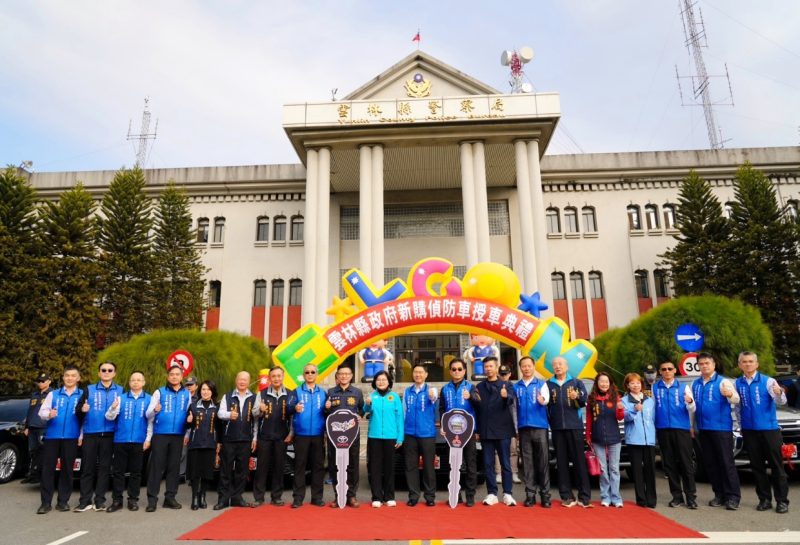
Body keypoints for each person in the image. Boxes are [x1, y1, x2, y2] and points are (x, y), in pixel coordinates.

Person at [735, 351, 789, 514]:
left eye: (751, 361)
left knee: (776, 466)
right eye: (744, 361)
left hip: (769, 429)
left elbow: (781, 401)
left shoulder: (768, 381)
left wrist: (780, 393)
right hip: (749, 430)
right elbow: (738, 407)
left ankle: (782, 501)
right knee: (757, 467)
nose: (748, 364)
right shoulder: (737, 383)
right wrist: (741, 425)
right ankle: (764, 499)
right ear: (740, 365)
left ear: (757, 364)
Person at [693, 352, 741, 510]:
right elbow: (692, 408)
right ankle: (719, 494)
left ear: (714, 365)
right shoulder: (696, 383)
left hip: (721, 429)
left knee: (726, 463)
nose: (704, 366)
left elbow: (736, 399)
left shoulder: (723, 381)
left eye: (707, 363)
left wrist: (730, 394)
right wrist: (692, 426)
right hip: (703, 429)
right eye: (701, 364)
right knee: (711, 464)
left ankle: (733, 496)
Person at [36, 365, 85, 514]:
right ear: (63, 378)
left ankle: (63, 502)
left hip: (71, 437)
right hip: (52, 436)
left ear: (78, 378)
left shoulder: (83, 395)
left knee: (67, 470)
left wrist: (81, 435)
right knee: (48, 470)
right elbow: (41, 412)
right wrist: (49, 414)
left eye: (73, 376)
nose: (70, 378)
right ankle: (45, 503)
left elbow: (85, 418)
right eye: (67, 375)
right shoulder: (54, 394)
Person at [76, 361, 124, 512]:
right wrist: (82, 409)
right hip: (91, 433)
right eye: (103, 370)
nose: (106, 372)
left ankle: (100, 501)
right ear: (99, 373)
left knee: (104, 469)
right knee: (87, 468)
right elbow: (77, 411)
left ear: (114, 373)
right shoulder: (89, 389)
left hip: (110, 435)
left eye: (110, 370)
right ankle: (85, 501)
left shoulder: (121, 391)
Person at [145, 365, 192, 512]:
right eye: (172, 374)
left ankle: (170, 498)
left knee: (174, 467)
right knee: (156, 467)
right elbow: (148, 414)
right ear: (168, 376)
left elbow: (189, 415)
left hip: (178, 435)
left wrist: (187, 434)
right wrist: (155, 410)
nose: (174, 377)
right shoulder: (159, 392)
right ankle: (152, 499)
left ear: (182, 377)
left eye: (177, 374)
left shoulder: (187, 394)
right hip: (160, 434)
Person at [472, 356, 517, 506]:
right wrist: (477, 429)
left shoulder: (506, 385)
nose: (488, 369)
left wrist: (505, 396)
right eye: (486, 367)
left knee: (505, 463)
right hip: (486, 430)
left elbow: (511, 400)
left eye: (491, 366)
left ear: (496, 367)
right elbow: (477, 409)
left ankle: (507, 493)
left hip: (503, 429)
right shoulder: (479, 387)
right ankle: (492, 493)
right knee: (488, 463)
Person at [105, 371, 153, 512]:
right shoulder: (121, 398)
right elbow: (109, 417)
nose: (135, 382)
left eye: (138, 380)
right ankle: (117, 500)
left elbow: (151, 422)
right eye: (133, 380)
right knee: (118, 472)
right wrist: (113, 408)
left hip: (139, 441)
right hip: (121, 440)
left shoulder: (149, 399)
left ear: (143, 382)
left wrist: (148, 439)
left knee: (136, 472)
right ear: (129, 382)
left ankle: (133, 500)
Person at [547, 356, 591, 508]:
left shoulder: (576, 382)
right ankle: (566, 496)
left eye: (560, 364)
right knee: (561, 462)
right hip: (557, 428)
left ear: (567, 366)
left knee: (579, 461)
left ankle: (584, 496)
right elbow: (546, 405)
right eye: (555, 364)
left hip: (575, 427)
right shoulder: (548, 384)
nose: (557, 366)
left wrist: (577, 396)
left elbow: (584, 401)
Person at [653, 360, 697, 509]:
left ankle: (691, 497)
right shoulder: (655, 387)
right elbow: (652, 408)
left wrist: (690, 402)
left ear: (674, 371)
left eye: (669, 369)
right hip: (663, 429)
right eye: (664, 369)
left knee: (686, 463)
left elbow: (692, 408)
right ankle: (677, 496)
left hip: (681, 429)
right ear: (660, 372)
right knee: (669, 464)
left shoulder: (683, 387)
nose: (667, 371)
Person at [215, 371, 257, 510]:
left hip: (245, 439)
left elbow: (256, 420)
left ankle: (237, 497)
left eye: (245, 379)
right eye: (240, 379)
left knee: (242, 471)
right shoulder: (227, 396)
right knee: (225, 470)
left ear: (249, 382)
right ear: (236, 380)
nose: (242, 382)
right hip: (229, 439)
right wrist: (229, 414)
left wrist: (254, 438)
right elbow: (220, 413)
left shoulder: (254, 397)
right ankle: (223, 499)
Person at [513, 356, 551, 508]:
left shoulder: (542, 384)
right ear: (520, 368)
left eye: (529, 366)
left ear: (534, 367)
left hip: (540, 427)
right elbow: (513, 408)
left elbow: (546, 399)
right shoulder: (516, 387)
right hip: (523, 428)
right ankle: (530, 495)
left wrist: (543, 401)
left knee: (543, 462)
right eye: (524, 366)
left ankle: (545, 495)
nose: (527, 368)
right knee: (527, 463)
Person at [287, 364, 327, 508]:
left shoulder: (323, 393)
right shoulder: (296, 391)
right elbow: (287, 408)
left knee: (318, 467)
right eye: (307, 372)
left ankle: (317, 497)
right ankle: (298, 498)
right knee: (299, 466)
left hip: (318, 435)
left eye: (312, 372)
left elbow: (327, 413)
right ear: (303, 375)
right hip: (301, 435)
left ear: (317, 374)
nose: (310, 374)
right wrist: (294, 408)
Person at [439, 358, 477, 507]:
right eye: (454, 369)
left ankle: (470, 495)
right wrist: (443, 425)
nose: (457, 372)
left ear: (465, 371)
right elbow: (442, 409)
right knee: (454, 464)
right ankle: (456, 494)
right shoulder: (445, 389)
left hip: (468, 432)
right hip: (451, 432)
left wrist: (471, 397)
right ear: (450, 371)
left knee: (470, 463)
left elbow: (479, 405)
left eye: (460, 369)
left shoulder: (471, 387)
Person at [324, 364, 363, 508]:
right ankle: (338, 495)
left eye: (347, 374)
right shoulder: (330, 392)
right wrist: (326, 408)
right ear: (337, 376)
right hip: (335, 436)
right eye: (341, 374)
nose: (344, 376)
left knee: (353, 464)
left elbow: (361, 410)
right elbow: (326, 414)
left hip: (352, 435)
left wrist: (360, 415)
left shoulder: (357, 392)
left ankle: (351, 495)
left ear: (351, 376)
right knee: (335, 465)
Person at [252, 367, 293, 507]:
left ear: (283, 376)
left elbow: (293, 417)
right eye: (273, 376)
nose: (276, 378)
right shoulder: (261, 394)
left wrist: (291, 433)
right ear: (269, 378)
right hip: (265, 436)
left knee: (279, 467)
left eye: (279, 376)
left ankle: (276, 497)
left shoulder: (290, 394)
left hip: (282, 436)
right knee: (261, 468)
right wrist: (260, 409)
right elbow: (254, 414)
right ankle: (258, 497)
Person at [364, 370, 403, 508]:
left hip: (390, 436)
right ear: (375, 382)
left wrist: (400, 437)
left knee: (389, 468)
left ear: (389, 382)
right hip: (374, 436)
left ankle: (389, 497)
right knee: (374, 467)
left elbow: (399, 418)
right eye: (378, 380)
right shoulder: (372, 396)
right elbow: (365, 411)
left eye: (384, 380)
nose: (381, 382)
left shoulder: (394, 397)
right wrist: (367, 404)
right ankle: (376, 497)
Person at [586, 372, 625, 508]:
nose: (604, 384)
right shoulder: (592, 399)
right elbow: (589, 418)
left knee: (614, 469)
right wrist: (588, 436)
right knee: (602, 469)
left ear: (610, 384)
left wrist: (620, 410)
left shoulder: (616, 398)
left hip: (614, 438)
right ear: (597, 383)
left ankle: (616, 497)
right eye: (601, 381)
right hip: (597, 438)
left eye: (606, 381)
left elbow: (620, 418)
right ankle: (605, 497)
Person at [403, 364, 438, 507]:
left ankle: (430, 496)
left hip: (427, 434)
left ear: (426, 375)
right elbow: (404, 411)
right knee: (411, 466)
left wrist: (432, 395)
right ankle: (413, 496)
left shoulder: (431, 390)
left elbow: (434, 397)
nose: (418, 375)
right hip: (409, 433)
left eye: (420, 372)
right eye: (415, 372)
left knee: (429, 466)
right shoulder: (407, 391)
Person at [621, 372, 657, 508]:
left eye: (637, 383)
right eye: (632, 383)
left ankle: (651, 499)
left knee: (650, 470)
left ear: (641, 384)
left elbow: (653, 419)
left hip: (649, 440)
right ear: (627, 385)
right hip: (634, 440)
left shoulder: (649, 400)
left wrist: (654, 435)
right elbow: (623, 417)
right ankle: (641, 499)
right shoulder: (624, 401)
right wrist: (634, 410)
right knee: (637, 471)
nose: (635, 385)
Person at [185, 380, 220, 511]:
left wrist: (219, 443)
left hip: (210, 443)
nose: (205, 392)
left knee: (206, 472)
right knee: (195, 472)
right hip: (196, 443)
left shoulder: (217, 407)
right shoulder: (193, 406)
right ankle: (194, 497)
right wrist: (188, 421)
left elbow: (219, 427)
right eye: (203, 389)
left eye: (208, 389)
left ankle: (202, 496)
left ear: (212, 392)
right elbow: (186, 426)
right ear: (200, 391)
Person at [22, 372, 52, 484]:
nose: (40, 383)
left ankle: (41, 475)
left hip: (44, 427)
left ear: (49, 381)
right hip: (32, 427)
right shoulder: (34, 394)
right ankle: (32, 474)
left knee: (42, 452)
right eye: (39, 381)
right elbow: (30, 411)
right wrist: (27, 426)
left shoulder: (52, 394)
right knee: (32, 451)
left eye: (42, 381)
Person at [496, 364, 521, 485]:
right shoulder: (495, 386)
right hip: (498, 423)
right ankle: (498, 473)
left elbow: (515, 409)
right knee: (498, 451)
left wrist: (516, 427)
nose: (503, 376)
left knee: (513, 449)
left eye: (505, 374)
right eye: (501, 374)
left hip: (511, 422)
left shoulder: (514, 387)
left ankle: (514, 472)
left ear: (510, 374)